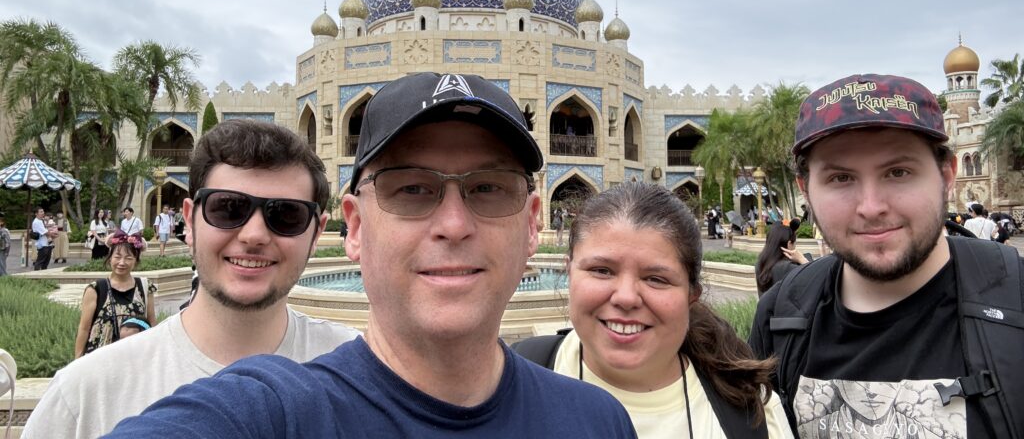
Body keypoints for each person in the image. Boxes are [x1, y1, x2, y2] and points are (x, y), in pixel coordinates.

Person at [106, 72, 633, 437]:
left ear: (532, 225)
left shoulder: (598, 422)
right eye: (412, 189)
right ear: (354, 227)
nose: (453, 225)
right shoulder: (276, 413)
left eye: (489, 188)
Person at [24, 120, 361, 438]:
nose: (254, 235)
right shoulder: (86, 396)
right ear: (190, 221)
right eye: (227, 208)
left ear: (317, 232)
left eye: (287, 215)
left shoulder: (358, 375)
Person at [748, 74, 1024, 437]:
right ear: (806, 189)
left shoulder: (1015, 301)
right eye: (840, 178)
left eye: (898, 172)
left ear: (947, 175)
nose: (872, 207)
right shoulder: (780, 316)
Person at [515, 182, 792, 438]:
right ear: (569, 272)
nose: (626, 298)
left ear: (691, 294)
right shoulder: (511, 385)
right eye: (601, 271)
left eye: (655, 279)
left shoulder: (751, 413)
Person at [74, 230, 157, 358]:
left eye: (128, 258)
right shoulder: (96, 289)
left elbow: (152, 324)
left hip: (135, 358)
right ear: (110, 258)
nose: (122, 262)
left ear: (136, 261)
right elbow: (84, 328)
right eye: (117, 257)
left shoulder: (144, 287)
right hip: (101, 359)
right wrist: (77, 360)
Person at [755, 218, 804, 296]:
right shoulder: (789, 268)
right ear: (789, 244)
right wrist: (803, 260)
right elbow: (817, 283)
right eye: (794, 243)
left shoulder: (761, 263)